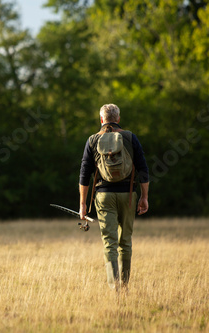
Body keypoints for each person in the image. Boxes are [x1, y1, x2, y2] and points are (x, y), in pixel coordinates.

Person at [79, 104, 149, 290]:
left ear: (101, 120)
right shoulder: (130, 137)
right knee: (125, 241)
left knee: (109, 243)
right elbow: (143, 169)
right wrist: (144, 197)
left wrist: (83, 205)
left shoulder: (93, 140)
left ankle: (114, 287)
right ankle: (124, 286)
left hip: (103, 196)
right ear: (118, 119)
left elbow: (84, 174)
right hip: (128, 195)